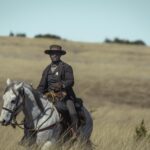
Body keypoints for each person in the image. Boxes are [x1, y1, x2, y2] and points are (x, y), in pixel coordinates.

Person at [37, 44, 79, 137]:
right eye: (52, 53)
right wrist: (36, 95)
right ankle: (29, 133)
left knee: (72, 111)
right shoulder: (46, 70)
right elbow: (41, 86)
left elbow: (70, 81)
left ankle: (75, 132)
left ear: (60, 55)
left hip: (64, 96)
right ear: (49, 55)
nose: (54, 55)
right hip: (48, 96)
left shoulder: (66, 67)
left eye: (56, 53)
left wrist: (62, 85)